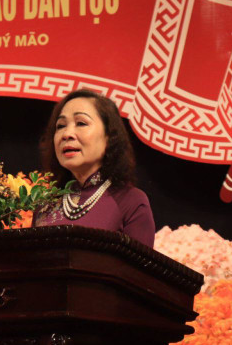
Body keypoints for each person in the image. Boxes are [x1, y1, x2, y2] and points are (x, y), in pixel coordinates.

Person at [34, 89, 155, 248]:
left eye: (81, 123)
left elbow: (139, 273)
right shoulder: (44, 204)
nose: (67, 134)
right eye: (61, 125)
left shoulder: (131, 202)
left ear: (109, 136)